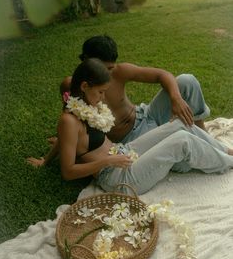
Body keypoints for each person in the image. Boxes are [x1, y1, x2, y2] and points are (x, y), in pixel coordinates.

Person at [53, 58, 233, 195]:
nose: (102, 98)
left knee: (179, 125)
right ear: (84, 86)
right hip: (116, 178)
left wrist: (46, 159)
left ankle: (226, 150)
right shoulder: (68, 120)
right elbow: (68, 171)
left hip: (124, 152)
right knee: (182, 141)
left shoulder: (87, 105)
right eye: (100, 92)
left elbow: (68, 141)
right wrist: (108, 161)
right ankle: (229, 163)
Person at [27, 35, 210, 167]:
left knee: (187, 80)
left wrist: (175, 98)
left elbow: (162, 75)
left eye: (111, 67)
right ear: (89, 62)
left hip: (146, 114)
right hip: (131, 138)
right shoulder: (71, 86)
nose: (109, 73)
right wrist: (49, 156)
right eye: (105, 68)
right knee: (183, 157)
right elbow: (70, 122)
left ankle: (205, 135)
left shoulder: (120, 71)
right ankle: (206, 148)